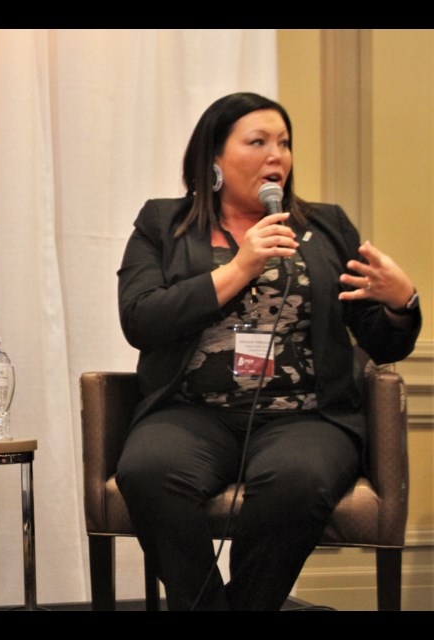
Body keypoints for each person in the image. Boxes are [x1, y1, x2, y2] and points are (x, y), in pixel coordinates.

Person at [115, 92, 421, 611]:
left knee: (298, 483)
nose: (276, 155)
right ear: (213, 157)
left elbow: (380, 338)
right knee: (149, 472)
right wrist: (238, 269)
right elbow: (140, 319)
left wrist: (400, 304)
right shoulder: (164, 225)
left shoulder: (326, 228)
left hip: (305, 416)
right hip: (192, 412)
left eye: (283, 143)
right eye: (257, 142)